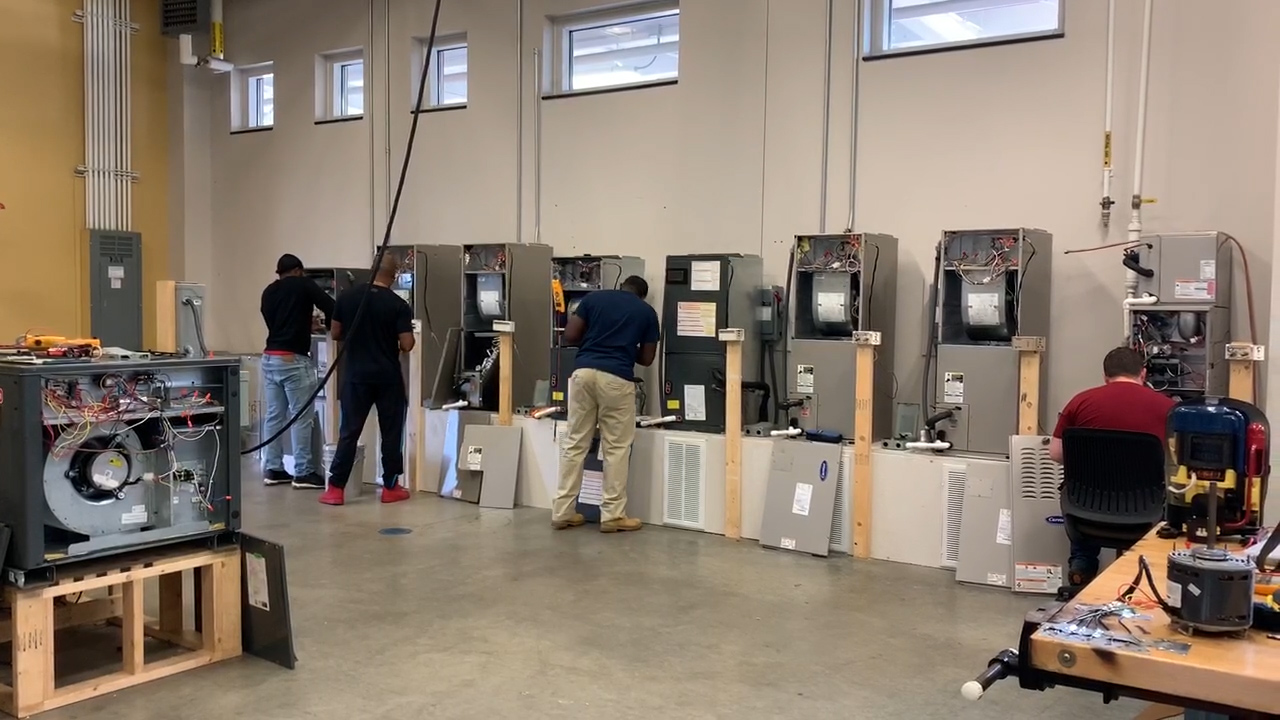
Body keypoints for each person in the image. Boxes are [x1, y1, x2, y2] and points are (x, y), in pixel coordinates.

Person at [1050, 346, 1175, 586]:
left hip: (1086, 509)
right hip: (1145, 509)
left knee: (1077, 487)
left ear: (1106, 376)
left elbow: (1055, 453)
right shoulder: (1168, 408)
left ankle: (1082, 565)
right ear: (1143, 374)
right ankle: (1146, 572)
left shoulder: (1080, 402)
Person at [551, 275, 660, 533]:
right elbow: (646, 359)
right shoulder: (646, 312)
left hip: (582, 373)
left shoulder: (593, 299)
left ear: (620, 286)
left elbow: (570, 335)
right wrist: (621, 345)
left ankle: (562, 512)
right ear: (641, 294)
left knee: (575, 442)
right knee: (616, 448)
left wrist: (596, 341)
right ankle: (612, 515)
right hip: (616, 377)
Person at [319, 252, 415, 506]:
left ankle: (336, 489)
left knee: (349, 432)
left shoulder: (347, 298)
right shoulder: (398, 305)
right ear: (393, 276)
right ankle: (391, 487)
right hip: (387, 378)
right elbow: (407, 344)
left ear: (371, 269)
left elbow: (336, 332)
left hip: (355, 376)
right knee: (391, 432)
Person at [259, 253, 334, 489]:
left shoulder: (269, 291)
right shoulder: (304, 284)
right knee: (302, 417)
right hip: (294, 360)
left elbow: (277, 320)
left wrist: (302, 323)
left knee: (274, 416)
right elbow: (331, 305)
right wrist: (332, 328)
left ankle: (273, 468)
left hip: (270, 357)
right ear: (299, 270)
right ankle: (303, 472)